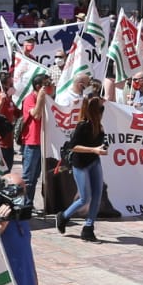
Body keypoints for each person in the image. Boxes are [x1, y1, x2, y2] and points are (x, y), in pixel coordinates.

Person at [54, 95, 108, 241]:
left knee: (97, 195)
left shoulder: (99, 126)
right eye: (100, 109)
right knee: (85, 198)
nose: (103, 112)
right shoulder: (82, 125)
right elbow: (73, 147)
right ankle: (63, 216)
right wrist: (94, 150)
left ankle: (88, 227)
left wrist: (103, 147)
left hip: (94, 162)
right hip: (81, 164)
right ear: (93, 111)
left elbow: (100, 143)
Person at [18, 71, 53, 191]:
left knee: (36, 177)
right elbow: (36, 115)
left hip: (43, 143)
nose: (50, 86)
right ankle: (24, 206)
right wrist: (41, 98)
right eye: (47, 84)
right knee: (28, 178)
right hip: (32, 144)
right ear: (39, 87)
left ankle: (29, 205)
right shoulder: (29, 99)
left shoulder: (48, 99)